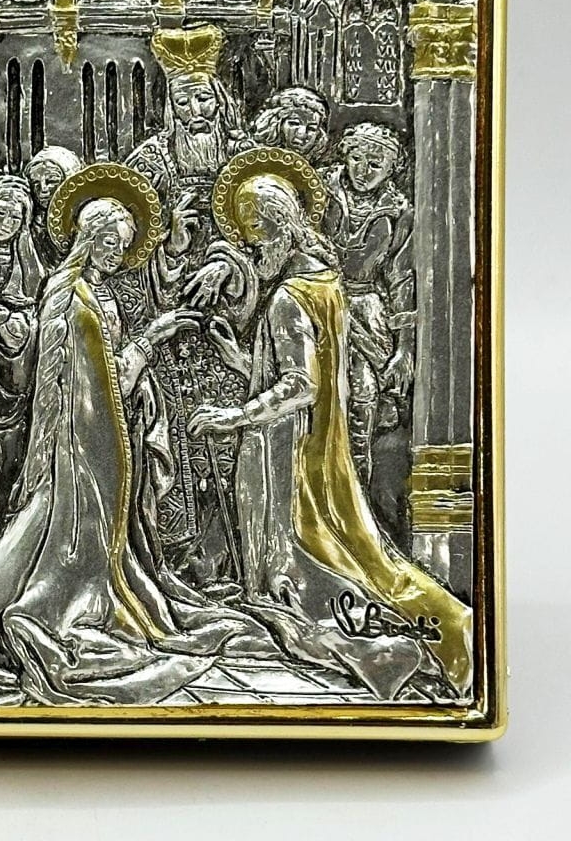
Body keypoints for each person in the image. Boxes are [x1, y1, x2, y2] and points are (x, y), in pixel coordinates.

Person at [0, 164, 280, 706]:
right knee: (75, 529)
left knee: (106, 532)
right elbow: (88, 379)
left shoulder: (95, 290)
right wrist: (153, 338)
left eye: (123, 245)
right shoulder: (69, 294)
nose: (117, 253)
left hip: (108, 432)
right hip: (83, 439)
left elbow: (108, 373)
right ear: (87, 239)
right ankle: (58, 609)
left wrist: (141, 370)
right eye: (109, 242)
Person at [187, 151, 472, 697]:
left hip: (286, 452)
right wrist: (241, 361)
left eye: (254, 230)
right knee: (356, 550)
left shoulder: (288, 298)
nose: (249, 244)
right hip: (320, 444)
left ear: (277, 226)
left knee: (306, 572)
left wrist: (231, 417)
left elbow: (299, 386)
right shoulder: (327, 283)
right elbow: (311, 369)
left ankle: (388, 646)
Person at [115, 25, 258, 589]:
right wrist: (171, 249)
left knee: (232, 439)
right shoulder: (150, 163)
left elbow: (269, 243)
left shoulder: (244, 158)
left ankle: (239, 559)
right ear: (169, 106)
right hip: (170, 330)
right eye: (183, 101)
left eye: (203, 99)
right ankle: (181, 564)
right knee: (176, 441)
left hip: (231, 329)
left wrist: (227, 265)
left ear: (219, 98)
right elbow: (125, 254)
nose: (195, 111)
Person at [321, 122, 415, 489]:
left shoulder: (399, 210)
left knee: (362, 396)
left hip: (365, 311)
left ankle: (355, 495)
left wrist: (405, 348)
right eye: (357, 159)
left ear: (392, 168)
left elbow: (401, 278)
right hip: (317, 298)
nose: (363, 170)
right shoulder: (322, 187)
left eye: (375, 164)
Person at [0, 175, 43, 534]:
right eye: (0, 213)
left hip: (17, 360)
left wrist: (16, 321)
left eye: (15, 217)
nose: (6, 222)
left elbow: (31, 297)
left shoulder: (25, 259)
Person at [23, 146, 83, 271]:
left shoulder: (82, 222)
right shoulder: (29, 224)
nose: (43, 189)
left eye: (51, 181)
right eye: (35, 183)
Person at [251, 86, 330, 165]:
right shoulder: (253, 160)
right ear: (276, 123)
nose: (301, 134)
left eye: (311, 129)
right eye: (294, 123)